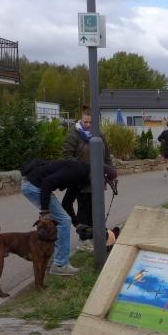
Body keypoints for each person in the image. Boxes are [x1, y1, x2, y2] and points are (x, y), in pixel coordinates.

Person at [20, 159, 92, 276]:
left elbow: (67, 204)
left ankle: (49, 262)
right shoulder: (77, 171)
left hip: (31, 185)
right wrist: (45, 211)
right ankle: (60, 265)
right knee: (64, 221)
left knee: (60, 221)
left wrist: (77, 224)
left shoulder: (80, 179)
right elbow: (47, 183)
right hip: (34, 186)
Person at [62, 106, 113, 247]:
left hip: (98, 179)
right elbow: (66, 156)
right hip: (81, 179)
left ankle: (97, 237)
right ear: (81, 119)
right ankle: (84, 238)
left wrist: (111, 173)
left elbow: (107, 156)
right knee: (84, 209)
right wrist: (82, 169)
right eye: (86, 122)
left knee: (97, 209)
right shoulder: (73, 134)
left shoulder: (99, 134)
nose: (88, 125)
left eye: (91, 122)